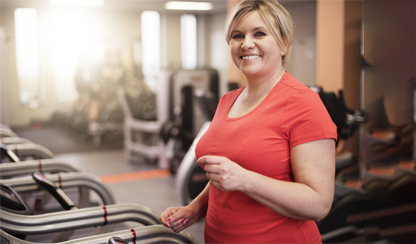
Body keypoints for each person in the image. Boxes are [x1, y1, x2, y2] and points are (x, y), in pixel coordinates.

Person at [160, 0, 337, 243]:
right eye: (237, 35)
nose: (246, 44)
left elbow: (319, 204)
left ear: (284, 43)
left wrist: (245, 179)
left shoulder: (303, 104)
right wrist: (195, 208)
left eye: (260, 33)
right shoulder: (227, 101)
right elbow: (223, 178)